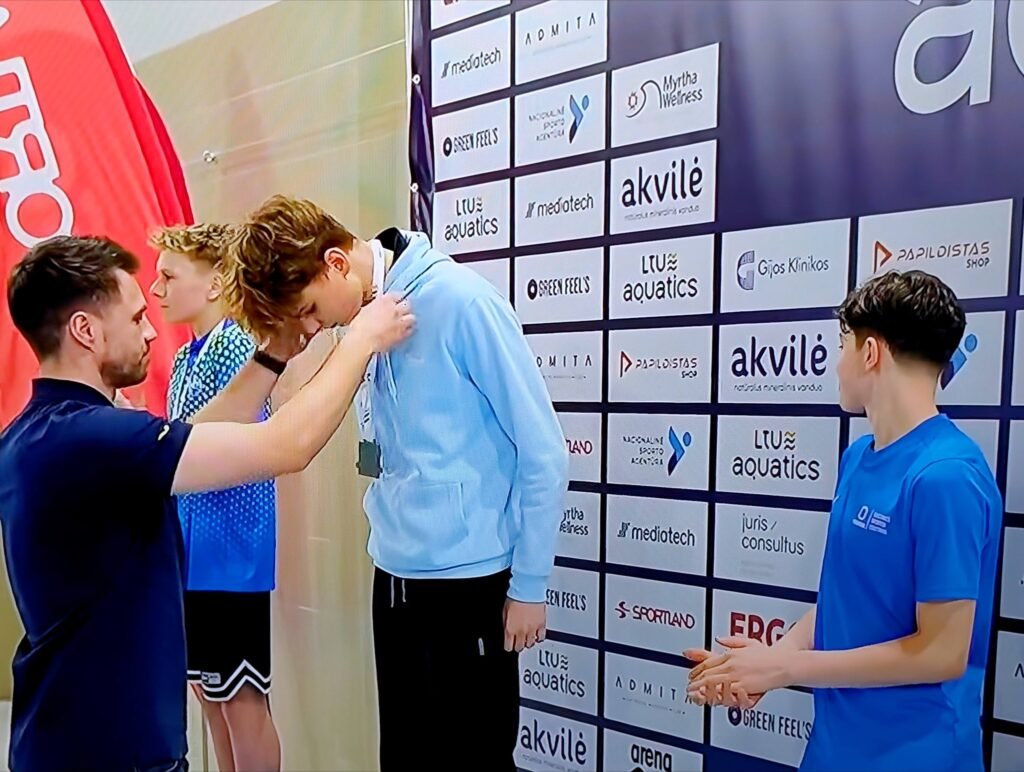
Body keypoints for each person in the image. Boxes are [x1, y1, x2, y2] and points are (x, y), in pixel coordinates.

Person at [0, 235, 413, 772]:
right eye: (136, 318)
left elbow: (198, 433)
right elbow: (286, 446)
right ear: (86, 330)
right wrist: (360, 341)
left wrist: (273, 356)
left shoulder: (35, 434)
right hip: (111, 749)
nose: (151, 330)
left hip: (68, 735)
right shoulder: (95, 440)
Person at [221, 195, 569, 771]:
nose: (313, 328)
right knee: (404, 757)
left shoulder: (461, 302)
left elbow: (544, 452)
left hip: (469, 584)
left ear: (335, 263)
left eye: (309, 310)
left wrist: (530, 585)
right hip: (394, 579)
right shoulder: (362, 324)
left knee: (474, 761)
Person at [685, 270, 1002, 772]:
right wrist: (772, 662)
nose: (836, 364)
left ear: (870, 352)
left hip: (916, 755)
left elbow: (941, 652)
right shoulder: (858, 457)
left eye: (842, 345)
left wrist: (787, 667)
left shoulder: (947, 477)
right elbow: (848, 598)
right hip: (834, 747)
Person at [149, 223, 280, 771]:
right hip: (193, 552)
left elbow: (232, 441)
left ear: (214, 283)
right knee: (211, 695)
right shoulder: (186, 357)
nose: (156, 290)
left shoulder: (235, 346)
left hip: (232, 552)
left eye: (168, 276)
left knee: (242, 699)